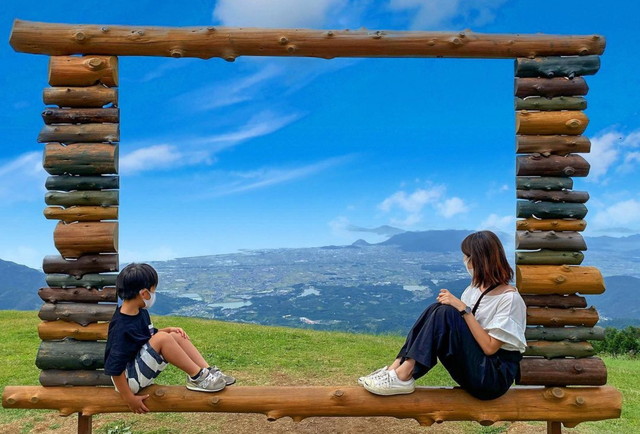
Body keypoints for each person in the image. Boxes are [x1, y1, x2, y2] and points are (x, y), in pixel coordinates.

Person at [359, 230, 526, 400]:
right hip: (476, 366)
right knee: (438, 309)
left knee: (446, 312)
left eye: (467, 256)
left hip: (492, 378)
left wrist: (463, 309)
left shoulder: (510, 299)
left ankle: (404, 374)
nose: (465, 261)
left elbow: (490, 348)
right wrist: (459, 308)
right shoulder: (473, 291)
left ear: (479, 260)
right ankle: (396, 368)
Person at [104, 263, 236, 414]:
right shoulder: (121, 326)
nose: (154, 295)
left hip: (136, 370)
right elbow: (114, 368)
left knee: (172, 335)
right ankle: (197, 378)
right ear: (144, 294)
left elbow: (147, 337)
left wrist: (168, 330)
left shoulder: (139, 312)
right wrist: (128, 398)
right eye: (154, 291)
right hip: (128, 381)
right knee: (163, 338)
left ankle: (207, 372)